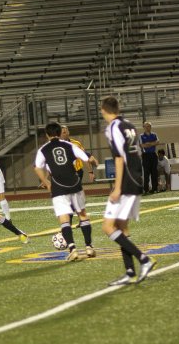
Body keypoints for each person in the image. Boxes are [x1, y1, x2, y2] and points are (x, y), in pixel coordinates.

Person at [100, 96, 156, 286]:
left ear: (103, 110)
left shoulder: (113, 127)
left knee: (107, 227)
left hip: (126, 182)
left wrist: (116, 187)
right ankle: (129, 272)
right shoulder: (129, 124)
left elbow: (118, 157)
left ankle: (144, 259)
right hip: (136, 177)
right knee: (122, 227)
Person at [34, 122, 95, 262]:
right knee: (82, 214)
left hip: (58, 186)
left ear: (47, 135)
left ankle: (73, 249)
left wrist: (46, 181)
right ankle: (89, 247)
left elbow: (37, 167)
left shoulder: (43, 149)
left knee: (64, 218)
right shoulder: (69, 145)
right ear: (59, 133)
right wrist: (93, 162)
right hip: (74, 183)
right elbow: (86, 158)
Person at [139, 121, 159, 194]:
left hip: (153, 155)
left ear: (151, 127)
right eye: (146, 126)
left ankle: (154, 189)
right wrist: (152, 144)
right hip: (146, 155)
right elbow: (142, 145)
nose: (147, 128)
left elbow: (157, 142)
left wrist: (148, 144)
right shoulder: (141, 136)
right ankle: (146, 189)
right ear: (143, 127)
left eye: (149, 126)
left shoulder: (154, 135)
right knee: (146, 173)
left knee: (154, 172)